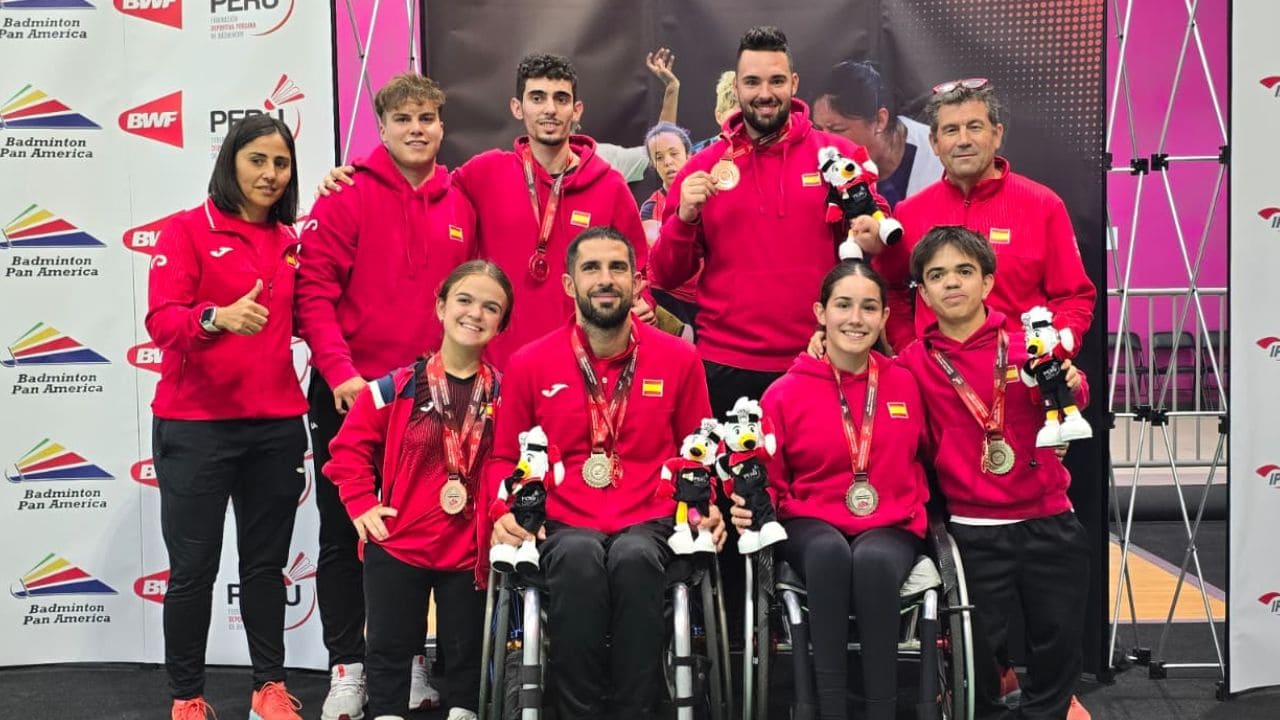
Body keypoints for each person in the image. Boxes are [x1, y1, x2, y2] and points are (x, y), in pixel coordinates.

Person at [650, 25, 890, 631]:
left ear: (794, 85)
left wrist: (871, 241)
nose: (764, 92)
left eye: (775, 80)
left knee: (817, 513)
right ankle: (736, 649)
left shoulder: (838, 160)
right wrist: (681, 217)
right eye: (752, 81)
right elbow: (665, 274)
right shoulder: (703, 168)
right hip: (727, 371)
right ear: (737, 87)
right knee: (732, 519)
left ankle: (819, 643)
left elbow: (874, 256)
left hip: (816, 369)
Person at [486, 227, 724, 719]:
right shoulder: (529, 363)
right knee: (578, 556)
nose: (605, 280)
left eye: (617, 268)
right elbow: (502, 458)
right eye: (591, 268)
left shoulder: (679, 358)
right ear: (570, 284)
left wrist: (709, 505)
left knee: (635, 557)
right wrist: (499, 510)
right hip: (565, 519)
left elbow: (697, 452)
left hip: (651, 519)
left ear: (637, 283)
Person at [296, 73, 475, 718]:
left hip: (435, 399)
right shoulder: (346, 197)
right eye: (404, 119)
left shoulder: (461, 202)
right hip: (352, 394)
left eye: (428, 117)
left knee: (424, 535)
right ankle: (348, 667)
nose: (418, 128)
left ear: (441, 125)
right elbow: (312, 293)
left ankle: (408, 665)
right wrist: (342, 374)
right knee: (346, 532)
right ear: (382, 127)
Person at [320, 53, 652, 369]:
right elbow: (420, 185)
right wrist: (355, 173)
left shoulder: (609, 186)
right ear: (517, 107)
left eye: (560, 99)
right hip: (495, 371)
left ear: (576, 109)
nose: (549, 109)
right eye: (537, 98)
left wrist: (644, 304)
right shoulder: (484, 173)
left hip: (581, 367)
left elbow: (641, 274)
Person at [146, 114, 308, 720]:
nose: (270, 174)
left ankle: (269, 687)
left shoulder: (295, 241)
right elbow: (162, 322)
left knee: (265, 566)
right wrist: (214, 319)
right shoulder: (188, 231)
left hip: (275, 426)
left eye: (281, 163)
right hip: (196, 426)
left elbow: (316, 314)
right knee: (193, 570)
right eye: (258, 160)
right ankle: (187, 696)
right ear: (231, 163)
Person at [895, 226, 1092, 720]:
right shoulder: (911, 364)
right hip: (972, 530)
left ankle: (1049, 712)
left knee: (1059, 638)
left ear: (987, 282)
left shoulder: (1029, 344)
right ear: (922, 290)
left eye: (964, 271)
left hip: (1049, 516)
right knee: (976, 651)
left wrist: (1071, 379)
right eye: (936, 275)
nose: (951, 283)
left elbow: (1075, 393)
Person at [730, 259, 930, 720]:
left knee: (875, 560)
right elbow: (768, 477)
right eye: (843, 305)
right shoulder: (783, 392)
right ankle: (825, 707)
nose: (855, 319)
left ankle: (881, 709)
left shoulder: (904, 384)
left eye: (868, 307)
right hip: (809, 522)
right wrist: (750, 510)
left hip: (890, 521)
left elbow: (928, 453)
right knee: (828, 554)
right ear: (821, 312)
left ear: (883, 317)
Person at [325, 261, 514, 720]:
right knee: (388, 648)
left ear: (501, 324)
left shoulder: (506, 395)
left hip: (467, 552)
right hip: (399, 542)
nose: (475, 313)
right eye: (465, 300)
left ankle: (464, 710)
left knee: (466, 652)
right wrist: (361, 503)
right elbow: (347, 447)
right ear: (441, 306)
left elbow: (517, 463)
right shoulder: (395, 387)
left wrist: (503, 514)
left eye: (491, 307)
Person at [872, 79, 1095, 353]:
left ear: (997, 134)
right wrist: (911, 350)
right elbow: (890, 291)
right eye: (951, 130)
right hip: (935, 383)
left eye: (974, 127)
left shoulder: (1042, 205)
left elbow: (1074, 297)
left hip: (1019, 380)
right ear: (934, 142)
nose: (963, 140)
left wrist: (1053, 353)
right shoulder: (909, 212)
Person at [811, 59, 945, 208]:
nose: (824, 141)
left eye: (837, 130)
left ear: (880, 120)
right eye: (818, 129)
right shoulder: (817, 162)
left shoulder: (939, 156)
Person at [639, 121, 698, 332]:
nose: (668, 162)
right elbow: (662, 251)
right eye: (659, 157)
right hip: (668, 298)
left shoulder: (708, 195)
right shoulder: (651, 207)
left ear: (689, 155)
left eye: (674, 153)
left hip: (707, 298)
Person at [594, 47, 683, 184]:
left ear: (576, 112)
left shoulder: (601, 157)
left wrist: (671, 89)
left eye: (562, 100)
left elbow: (658, 147)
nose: (551, 111)